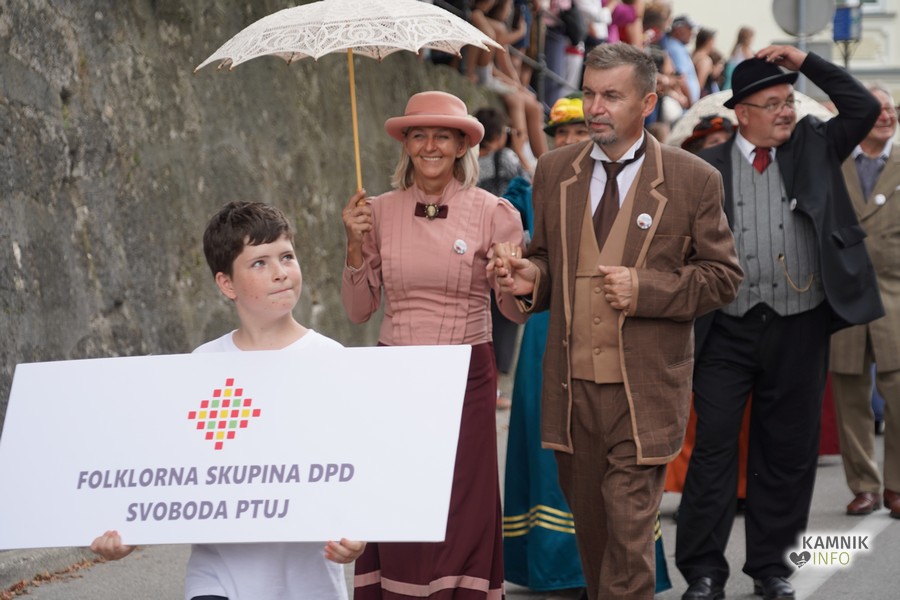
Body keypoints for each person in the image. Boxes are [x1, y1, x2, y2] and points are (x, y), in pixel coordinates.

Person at [491, 43, 743, 599]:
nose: (595, 107)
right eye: (589, 93)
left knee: (628, 539)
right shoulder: (554, 171)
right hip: (571, 390)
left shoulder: (693, 179)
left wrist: (647, 289)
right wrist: (531, 279)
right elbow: (548, 261)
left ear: (648, 102)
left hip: (643, 391)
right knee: (595, 534)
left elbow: (723, 277)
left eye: (611, 95)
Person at [674, 46, 883, 600]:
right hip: (726, 327)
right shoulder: (706, 166)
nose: (787, 111)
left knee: (787, 452)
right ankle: (703, 571)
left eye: (789, 101)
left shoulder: (816, 145)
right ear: (742, 113)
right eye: (773, 104)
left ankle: (773, 568)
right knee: (713, 448)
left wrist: (806, 60)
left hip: (800, 324)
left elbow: (861, 107)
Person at [91, 201, 366, 600]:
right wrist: (128, 532)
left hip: (309, 582)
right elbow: (169, 468)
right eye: (259, 263)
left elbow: (354, 465)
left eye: (287, 256)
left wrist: (356, 532)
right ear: (226, 284)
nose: (280, 272)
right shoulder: (203, 366)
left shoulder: (331, 360)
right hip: (217, 580)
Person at [341, 90, 526, 599]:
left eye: (442, 136)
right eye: (419, 135)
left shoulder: (496, 213)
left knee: (459, 501)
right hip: (395, 374)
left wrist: (510, 281)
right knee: (401, 495)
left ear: (462, 145)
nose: (430, 146)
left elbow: (514, 313)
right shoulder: (375, 212)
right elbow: (358, 310)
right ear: (405, 144)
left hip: (466, 372)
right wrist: (354, 245)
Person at [830, 84, 900, 519]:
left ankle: (897, 486)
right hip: (845, 299)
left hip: (897, 296)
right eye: (877, 108)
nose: (887, 115)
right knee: (850, 397)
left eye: (891, 108)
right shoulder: (834, 163)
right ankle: (864, 487)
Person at [662, 15, 701, 106]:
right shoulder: (676, 48)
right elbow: (681, 78)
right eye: (689, 29)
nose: (692, 33)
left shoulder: (676, 46)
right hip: (685, 104)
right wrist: (691, 104)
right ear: (678, 29)